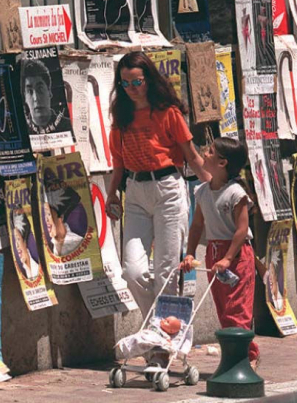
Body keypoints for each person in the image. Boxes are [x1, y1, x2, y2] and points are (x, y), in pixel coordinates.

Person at [106, 52, 209, 318]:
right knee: (133, 271)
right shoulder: (121, 117)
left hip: (168, 189)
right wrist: (112, 196)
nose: (132, 89)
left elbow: (192, 156)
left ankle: (161, 345)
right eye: (125, 84)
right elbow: (118, 164)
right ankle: (159, 327)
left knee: (166, 273)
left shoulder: (168, 113)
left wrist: (215, 187)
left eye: (137, 82)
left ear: (149, 80)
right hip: (136, 191)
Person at [181, 137, 259, 368]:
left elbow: (242, 229)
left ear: (222, 162)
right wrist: (190, 253)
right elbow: (197, 226)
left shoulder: (236, 193)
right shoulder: (202, 192)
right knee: (224, 310)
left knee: (239, 311)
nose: (204, 153)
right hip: (214, 255)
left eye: (210, 151)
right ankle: (234, 356)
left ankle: (248, 358)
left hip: (237, 256)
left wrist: (228, 257)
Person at [21, 59, 70, 133]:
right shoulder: (21, 130)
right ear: (25, 97)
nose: (36, 98)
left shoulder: (67, 126)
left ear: (49, 91)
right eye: (30, 91)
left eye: (40, 89)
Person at [44, 185, 83, 256]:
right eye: (45, 214)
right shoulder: (53, 244)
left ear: (61, 217)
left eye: (49, 214)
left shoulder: (77, 242)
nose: (46, 220)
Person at [12, 210, 40, 279]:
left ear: (24, 242)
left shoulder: (38, 267)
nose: (17, 246)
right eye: (15, 240)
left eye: (18, 239)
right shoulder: (24, 270)